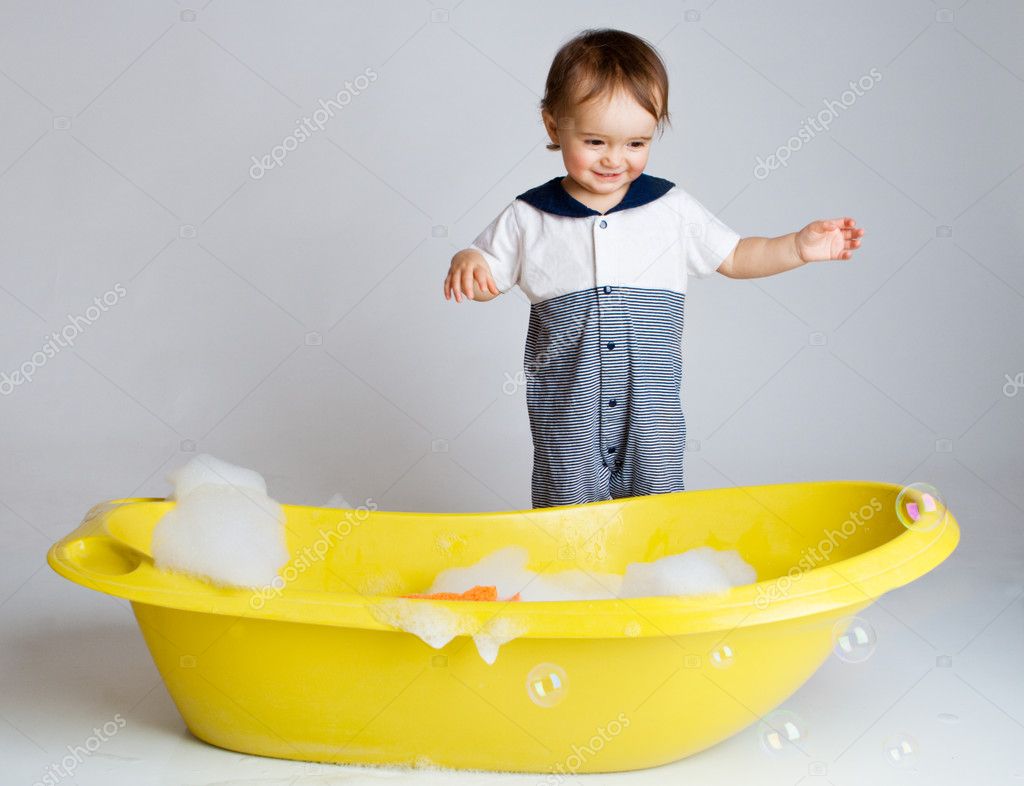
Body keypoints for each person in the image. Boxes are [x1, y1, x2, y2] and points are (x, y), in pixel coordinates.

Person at [442, 28, 864, 509]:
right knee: (567, 505)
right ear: (554, 127)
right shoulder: (529, 215)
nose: (614, 160)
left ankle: (655, 577)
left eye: (636, 144)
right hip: (568, 413)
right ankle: (572, 578)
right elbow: (487, 280)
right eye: (596, 140)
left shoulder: (669, 207)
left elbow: (736, 255)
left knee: (656, 505)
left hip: (651, 412)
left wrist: (797, 247)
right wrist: (469, 260)